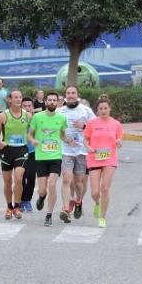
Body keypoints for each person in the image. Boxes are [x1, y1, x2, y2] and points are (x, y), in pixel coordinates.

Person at [28, 92, 72, 227]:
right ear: (46, 102)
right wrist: (33, 140)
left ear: (57, 102)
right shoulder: (37, 117)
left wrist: (68, 140)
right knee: (42, 190)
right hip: (41, 157)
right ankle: (41, 197)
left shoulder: (61, 118)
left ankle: (49, 214)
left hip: (55, 157)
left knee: (52, 184)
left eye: (54, 100)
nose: (52, 102)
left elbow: (63, 135)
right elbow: (29, 135)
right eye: (50, 100)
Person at [0, 89, 30, 220]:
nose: (19, 99)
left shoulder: (27, 115)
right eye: (16, 97)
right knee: (8, 181)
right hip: (7, 150)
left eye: (20, 97)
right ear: (9, 100)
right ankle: (9, 206)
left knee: (19, 178)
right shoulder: (3, 116)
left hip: (21, 150)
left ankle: (17, 207)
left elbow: (34, 131)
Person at [84, 98, 124, 228]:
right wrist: (87, 147)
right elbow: (85, 139)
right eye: (100, 108)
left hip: (109, 159)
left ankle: (102, 217)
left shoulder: (116, 124)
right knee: (95, 192)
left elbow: (119, 140)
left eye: (105, 108)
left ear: (109, 109)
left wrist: (119, 142)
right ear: (97, 110)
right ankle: (97, 203)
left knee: (105, 188)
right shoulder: (91, 123)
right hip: (94, 158)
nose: (103, 111)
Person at [58, 85, 96, 220]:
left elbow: (96, 127)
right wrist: (65, 139)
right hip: (66, 150)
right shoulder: (60, 111)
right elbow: (56, 130)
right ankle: (66, 208)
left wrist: (84, 126)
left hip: (82, 151)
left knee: (79, 182)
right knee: (67, 179)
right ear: (65, 95)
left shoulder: (86, 111)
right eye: (68, 93)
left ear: (77, 94)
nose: (70, 95)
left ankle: (78, 202)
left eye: (73, 93)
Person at [20, 99, 36, 212]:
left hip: (33, 152)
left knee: (30, 176)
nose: (27, 108)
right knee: (20, 177)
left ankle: (27, 200)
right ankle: (21, 200)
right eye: (24, 106)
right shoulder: (17, 119)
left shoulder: (37, 120)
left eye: (29, 105)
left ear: (33, 107)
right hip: (19, 151)